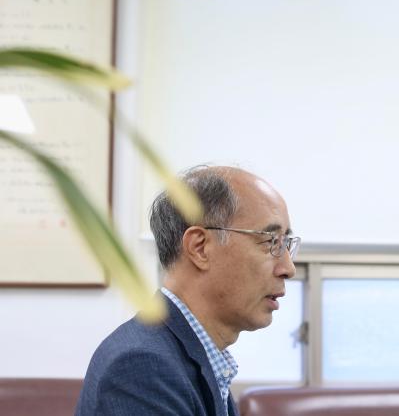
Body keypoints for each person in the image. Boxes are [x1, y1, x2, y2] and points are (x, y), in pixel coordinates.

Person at [75, 166, 299, 415]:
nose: (288, 268)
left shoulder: (192, 356)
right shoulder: (142, 368)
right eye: (271, 241)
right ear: (200, 248)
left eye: (287, 244)